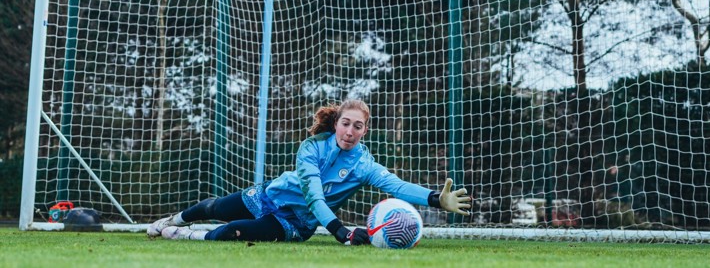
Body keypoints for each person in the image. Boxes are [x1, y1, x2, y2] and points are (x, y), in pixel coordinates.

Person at [147, 99, 471, 244]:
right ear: (336, 124)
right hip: (270, 195)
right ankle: (172, 221)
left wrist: (434, 198)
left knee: (233, 231)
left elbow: (394, 184)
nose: (350, 131)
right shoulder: (311, 148)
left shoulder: (364, 165)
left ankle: (188, 235)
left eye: (358, 127)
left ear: (364, 132)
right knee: (215, 207)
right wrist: (340, 231)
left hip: (294, 223)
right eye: (346, 124)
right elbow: (314, 194)